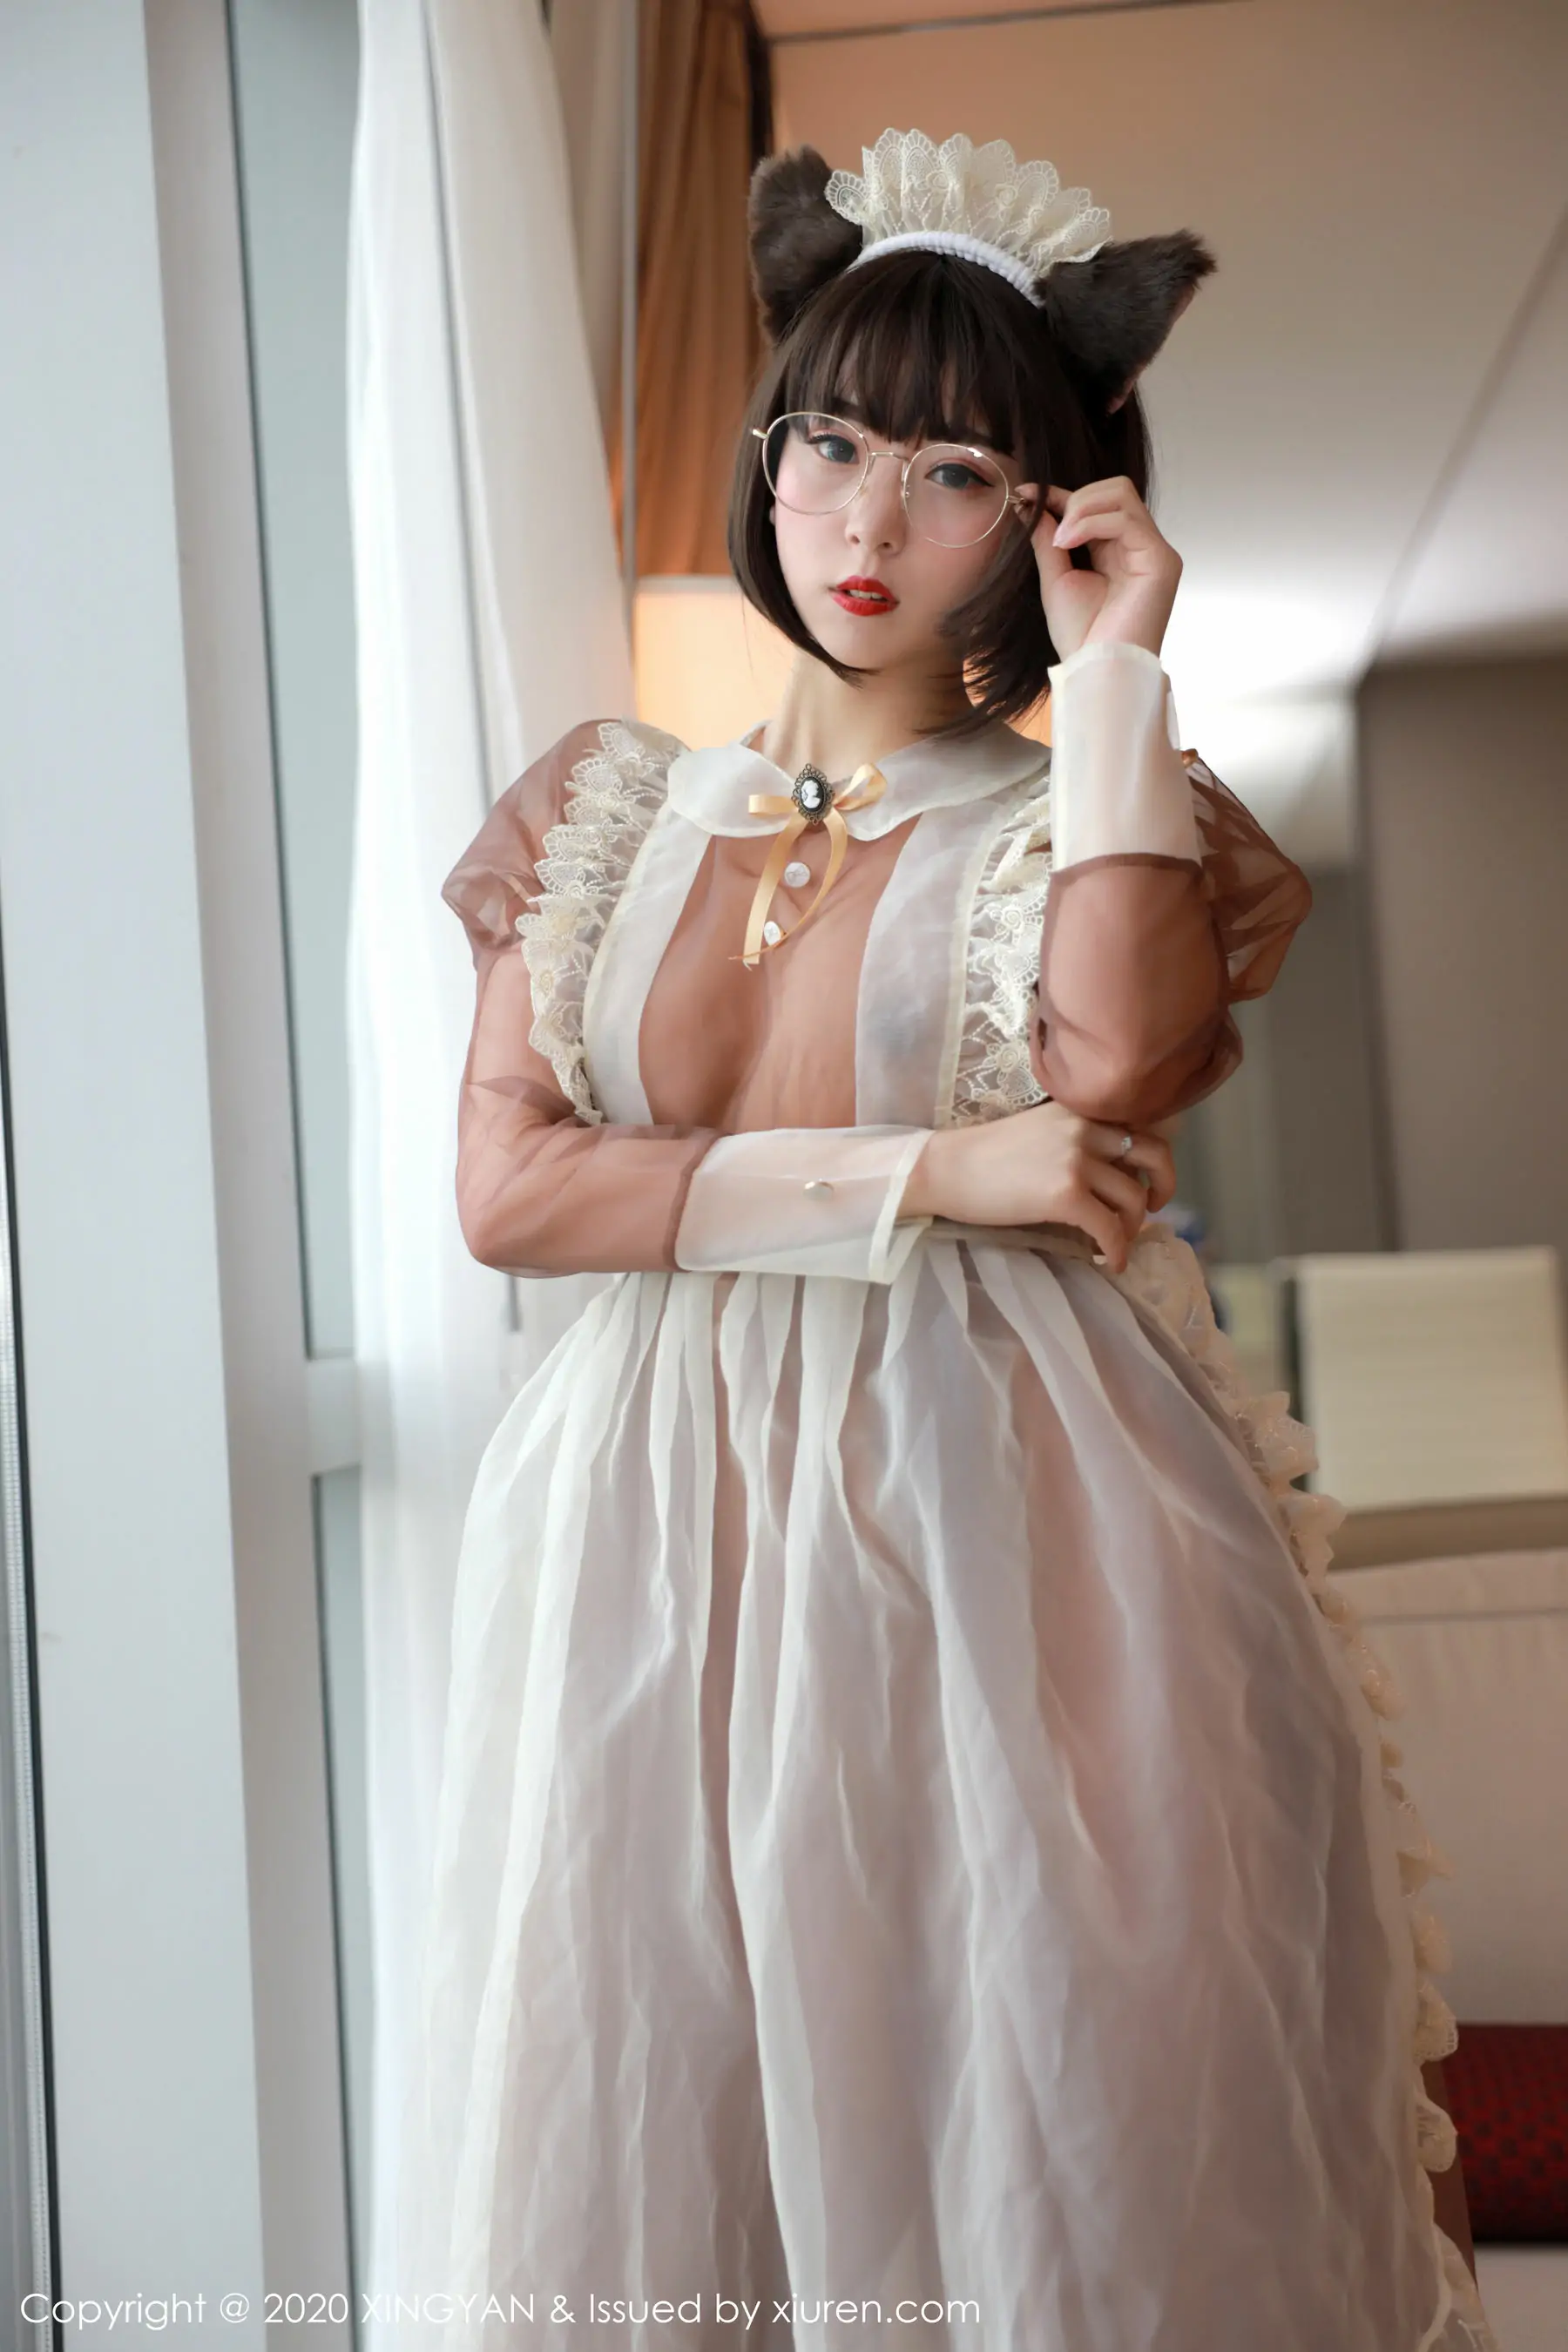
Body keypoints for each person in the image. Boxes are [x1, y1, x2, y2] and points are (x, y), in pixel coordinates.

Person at [398, 130, 1497, 2352]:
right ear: (764, 456)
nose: (866, 526)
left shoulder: (1102, 807)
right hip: (657, 1534)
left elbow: (1123, 1060)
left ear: (1053, 512)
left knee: (1041, 2116)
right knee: (660, 2106)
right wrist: (929, 1171)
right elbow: (510, 1194)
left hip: (1019, 1522)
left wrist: (1117, 676)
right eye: (828, 444)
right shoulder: (604, 806)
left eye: (955, 473)